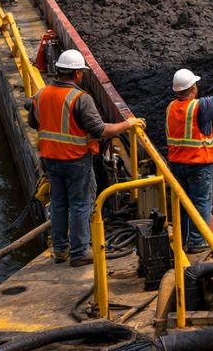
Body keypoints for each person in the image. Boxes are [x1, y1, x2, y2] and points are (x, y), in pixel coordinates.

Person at [28, 50, 143, 266]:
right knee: (81, 204)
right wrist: (128, 124)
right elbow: (100, 130)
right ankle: (79, 252)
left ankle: (60, 250)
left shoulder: (40, 95)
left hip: (50, 159)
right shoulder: (80, 99)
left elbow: (34, 123)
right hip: (75, 160)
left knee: (59, 204)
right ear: (78, 74)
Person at [166, 68, 213, 252]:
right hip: (198, 166)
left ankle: (183, 239)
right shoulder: (199, 107)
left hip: (176, 164)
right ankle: (197, 242)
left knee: (183, 203)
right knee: (200, 202)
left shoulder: (171, 107)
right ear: (193, 88)